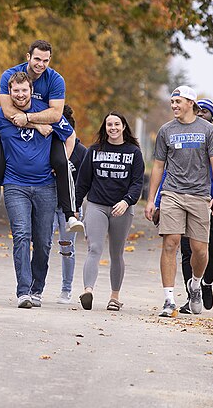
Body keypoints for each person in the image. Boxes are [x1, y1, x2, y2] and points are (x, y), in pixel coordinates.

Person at [0, 39, 83, 238]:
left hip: (50, 128)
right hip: (17, 126)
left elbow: (56, 115)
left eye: (46, 60)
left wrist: (32, 120)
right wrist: (37, 124)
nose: (41, 64)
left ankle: (70, 215)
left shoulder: (55, 80)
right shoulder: (10, 76)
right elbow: (7, 111)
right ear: (28, 57)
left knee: (60, 161)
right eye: (37, 59)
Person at [0, 71, 73, 308]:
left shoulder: (47, 113)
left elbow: (71, 136)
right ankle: (23, 291)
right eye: (16, 91)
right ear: (9, 92)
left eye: (24, 90)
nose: (20, 95)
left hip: (45, 186)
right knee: (22, 235)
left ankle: (36, 289)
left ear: (31, 91)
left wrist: (60, 165)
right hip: (15, 185)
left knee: (43, 242)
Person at [144, 86, 213, 317]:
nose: (174, 106)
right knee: (171, 243)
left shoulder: (208, 130)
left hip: (200, 195)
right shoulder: (166, 131)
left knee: (200, 250)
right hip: (172, 193)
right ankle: (168, 299)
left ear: (191, 103)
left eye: (178, 102)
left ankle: (195, 284)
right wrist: (151, 200)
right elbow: (158, 166)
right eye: (172, 102)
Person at [75, 112, 144, 311]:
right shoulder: (94, 150)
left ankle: (114, 297)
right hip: (97, 205)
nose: (112, 128)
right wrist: (75, 209)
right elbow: (83, 182)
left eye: (116, 124)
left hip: (121, 208)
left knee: (116, 252)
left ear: (123, 127)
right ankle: (88, 291)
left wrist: (127, 201)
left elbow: (137, 183)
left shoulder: (133, 152)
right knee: (94, 248)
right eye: (109, 125)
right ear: (104, 128)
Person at [53, 105, 88, 304]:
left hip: (71, 208)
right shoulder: (50, 147)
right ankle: (34, 286)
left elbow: (84, 183)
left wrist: (76, 207)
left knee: (67, 248)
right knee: (41, 244)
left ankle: (66, 289)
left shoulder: (82, 152)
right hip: (49, 204)